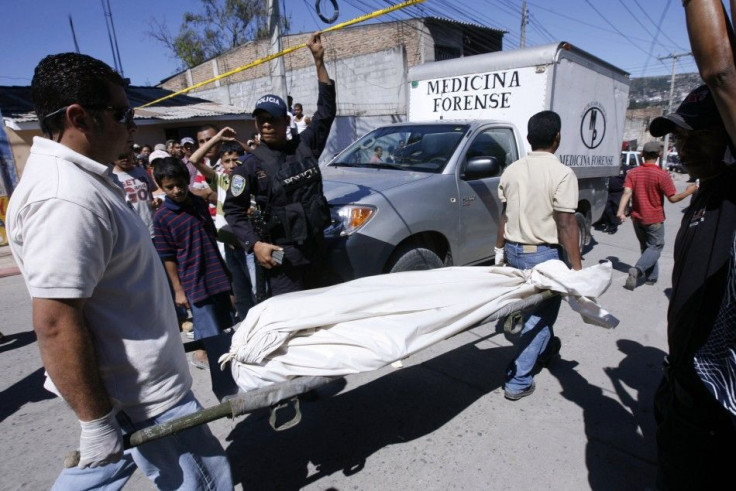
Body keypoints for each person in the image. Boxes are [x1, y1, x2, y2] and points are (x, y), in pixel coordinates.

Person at [5, 52, 231, 489]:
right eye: (121, 112)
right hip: (142, 395)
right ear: (78, 117)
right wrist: (96, 423)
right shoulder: (64, 198)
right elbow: (55, 321)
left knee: (117, 476)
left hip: (137, 389)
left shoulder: (83, 181)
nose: (131, 124)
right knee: (206, 480)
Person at [650, 1, 736, 487]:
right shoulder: (703, 196)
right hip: (682, 389)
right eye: (678, 140)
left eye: (697, 136)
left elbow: (721, 72)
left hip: (715, 408)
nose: (683, 149)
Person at [224, 31, 335, 298]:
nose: (265, 125)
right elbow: (233, 211)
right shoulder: (249, 167)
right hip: (283, 258)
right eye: (260, 120)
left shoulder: (305, 144)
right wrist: (255, 244)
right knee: (292, 320)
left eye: (272, 119)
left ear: (286, 122)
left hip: (319, 249)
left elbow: (326, 111)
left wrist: (319, 61)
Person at [494, 110, 582, 401]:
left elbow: (504, 216)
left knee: (537, 310)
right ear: (558, 137)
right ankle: (518, 380)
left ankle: (546, 349)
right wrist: (577, 270)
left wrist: (499, 250)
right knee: (541, 318)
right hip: (542, 255)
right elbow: (566, 223)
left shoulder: (512, 170)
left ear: (529, 139)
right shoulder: (562, 173)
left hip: (514, 251)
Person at [189, 126, 255, 320]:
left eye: (236, 159)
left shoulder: (252, 179)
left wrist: (239, 143)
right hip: (229, 243)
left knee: (257, 289)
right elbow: (194, 160)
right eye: (227, 161)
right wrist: (217, 138)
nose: (232, 164)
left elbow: (259, 156)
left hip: (250, 244)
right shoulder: (221, 180)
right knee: (239, 289)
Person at [616, 141, 696, 290]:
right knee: (655, 247)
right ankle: (638, 269)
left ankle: (651, 277)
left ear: (642, 155)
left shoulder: (633, 173)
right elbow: (673, 199)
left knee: (647, 247)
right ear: (659, 155)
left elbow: (627, 192)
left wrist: (621, 211)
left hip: (637, 218)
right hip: (654, 219)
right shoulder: (662, 175)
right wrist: (689, 191)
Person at [110, 149, 160, 237]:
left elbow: (151, 193)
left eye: (127, 155)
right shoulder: (111, 178)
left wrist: (155, 201)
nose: (125, 159)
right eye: (121, 156)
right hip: (133, 232)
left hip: (152, 227)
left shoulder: (141, 171)